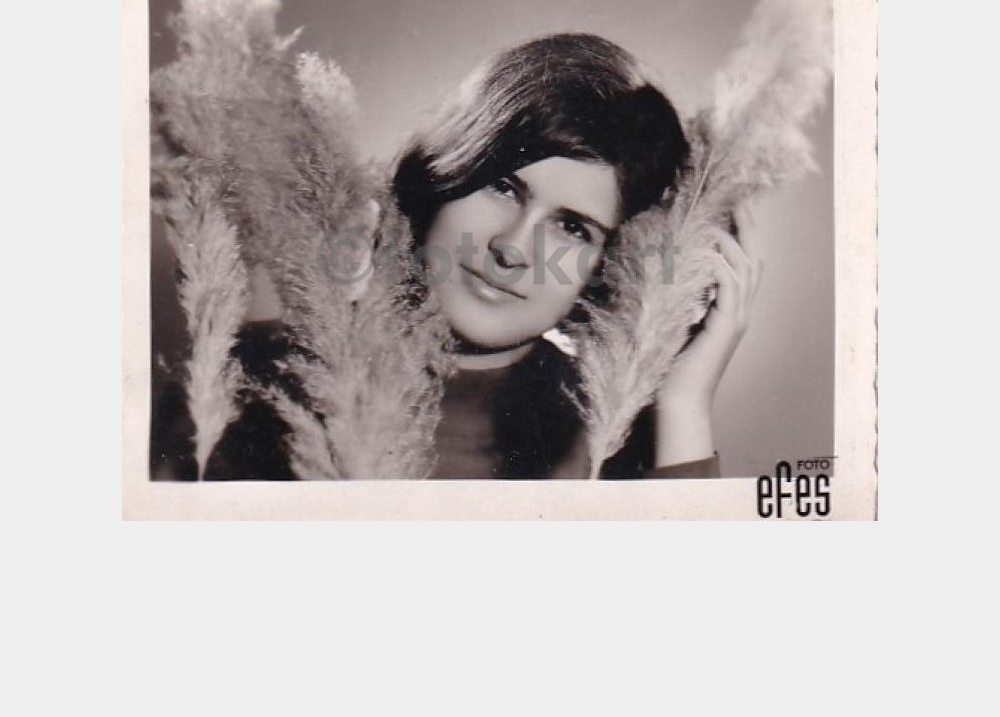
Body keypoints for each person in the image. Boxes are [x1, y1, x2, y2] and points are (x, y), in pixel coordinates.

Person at [154, 32, 760, 480]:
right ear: (443, 176)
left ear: (611, 266)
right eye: (503, 188)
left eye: (573, 228)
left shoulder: (617, 430)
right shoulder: (237, 372)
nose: (513, 248)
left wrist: (684, 404)